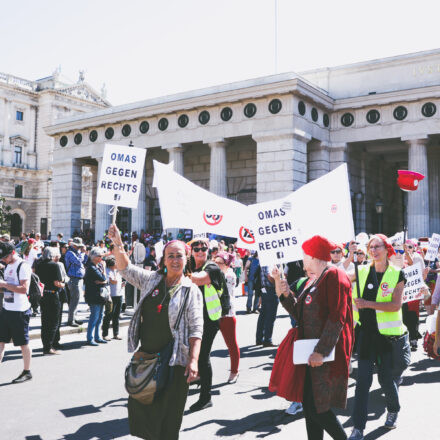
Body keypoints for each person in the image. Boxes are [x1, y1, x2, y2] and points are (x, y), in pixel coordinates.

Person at [108, 224, 203, 440]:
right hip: (147, 357)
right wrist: (118, 243)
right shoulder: (152, 279)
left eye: (179, 256)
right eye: (171, 256)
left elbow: (197, 328)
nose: (175, 260)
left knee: (168, 418)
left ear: (186, 259)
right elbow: (126, 269)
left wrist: (194, 360)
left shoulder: (191, 289)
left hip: (174, 362)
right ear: (163, 259)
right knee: (142, 409)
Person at [272, 235, 352, 440]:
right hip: (311, 352)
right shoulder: (314, 278)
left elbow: (337, 318)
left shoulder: (334, 275)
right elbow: (298, 312)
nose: (302, 260)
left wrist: (321, 352)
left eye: (304, 255)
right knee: (310, 405)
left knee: (318, 408)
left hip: (325, 354)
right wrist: (283, 292)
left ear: (314, 256)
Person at [348, 234, 406, 440]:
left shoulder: (397, 274)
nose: (373, 250)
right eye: (370, 247)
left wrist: (368, 304)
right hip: (366, 335)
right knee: (362, 382)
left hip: (387, 338)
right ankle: (358, 428)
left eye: (377, 246)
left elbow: (395, 305)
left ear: (386, 248)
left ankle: (393, 409)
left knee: (385, 379)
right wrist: (348, 258)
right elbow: (339, 278)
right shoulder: (361, 270)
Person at [189, 238, 231, 411]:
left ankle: (206, 398)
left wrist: (174, 269)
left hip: (210, 319)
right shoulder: (192, 267)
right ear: (191, 251)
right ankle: (198, 377)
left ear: (209, 250)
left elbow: (198, 280)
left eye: (203, 248)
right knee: (193, 354)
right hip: (194, 318)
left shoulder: (211, 267)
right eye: (196, 248)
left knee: (203, 355)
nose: (200, 251)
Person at [0, 242, 33, 383]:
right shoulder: (8, 266)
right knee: (1, 342)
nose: (2, 260)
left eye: (4, 257)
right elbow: (8, 288)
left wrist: (4, 284)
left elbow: (23, 289)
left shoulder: (23, 266)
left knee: (23, 343)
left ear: (12, 253)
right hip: (7, 308)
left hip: (20, 311)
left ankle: (27, 371)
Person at [214, 251, 240, 383]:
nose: (216, 264)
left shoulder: (229, 276)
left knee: (231, 344)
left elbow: (223, 293)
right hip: (213, 313)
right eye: (215, 261)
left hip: (227, 314)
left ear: (227, 265)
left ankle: (234, 371)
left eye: (219, 263)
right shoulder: (216, 273)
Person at [34, 247, 64, 355]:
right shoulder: (54, 265)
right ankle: (49, 347)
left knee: (45, 321)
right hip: (52, 294)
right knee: (54, 322)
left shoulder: (39, 264)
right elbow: (57, 283)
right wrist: (64, 284)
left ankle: (45, 345)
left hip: (42, 294)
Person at [84, 247, 108, 346]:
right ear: (94, 257)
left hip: (100, 295)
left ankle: (97, 337)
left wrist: (103, 280)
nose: (101, 258)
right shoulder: (91, 267)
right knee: (94, 317)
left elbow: (105, 280)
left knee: (100, 317)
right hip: (94, 295)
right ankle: (90, 338)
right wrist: (103, 279)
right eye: (100, 256)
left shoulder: (98, 266)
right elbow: (103, 277)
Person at [65, 237, 87, 327]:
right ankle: (70, 320)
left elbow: (84, 261)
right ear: (73, 245)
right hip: (73, 279)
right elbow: (78, 261)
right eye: (78, 246)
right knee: (74, 300)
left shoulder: (77, 252)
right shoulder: (70, 253)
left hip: (78, 279)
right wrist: (82, 253)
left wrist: (83, 253)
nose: (79, 248)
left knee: (77, 300)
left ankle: (74, 317)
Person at [256, 266, 279, 347]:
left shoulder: (263, 260)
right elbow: (269, 276)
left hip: (265, 289)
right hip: (270, 290)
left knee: (263, 315)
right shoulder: (269, 261)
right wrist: (277, 282)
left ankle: (259, 338)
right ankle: (267, 340)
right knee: (270, 316)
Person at [102, 257, 124, 341]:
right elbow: (113, 281)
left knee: (116, 316)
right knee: (109, 315)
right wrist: (116, 274)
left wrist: (122, 283)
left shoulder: (117, 271)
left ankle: (116, 333)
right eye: (116, 263)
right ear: (111, 264)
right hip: (111, 295)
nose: (117, 264)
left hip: (119, 294)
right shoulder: (108, 271)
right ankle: (105, 334)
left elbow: (118, 281)